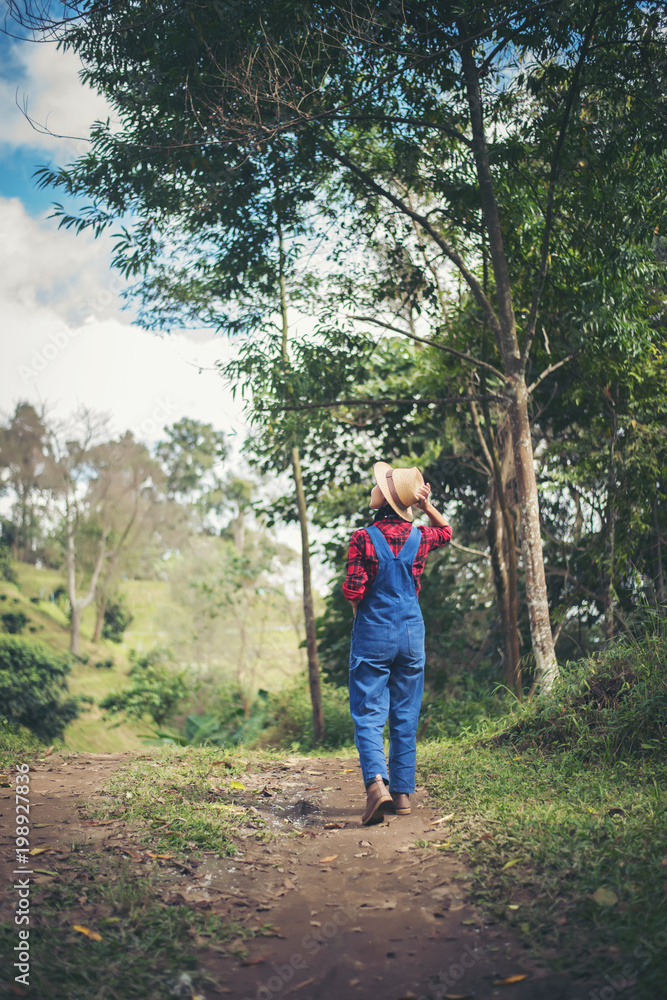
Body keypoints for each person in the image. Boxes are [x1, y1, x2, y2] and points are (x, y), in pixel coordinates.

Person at [343, 461, 451, 825]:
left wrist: (363, 617)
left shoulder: (362, 538)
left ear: (384, 499)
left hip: (373, 632)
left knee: (369, 712)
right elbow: (446, 531)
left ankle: (377, 785)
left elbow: (354, 591)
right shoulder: (420, 536)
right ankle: (403, 794)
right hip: (411, 634)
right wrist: (425, 506)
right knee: (405, 715)